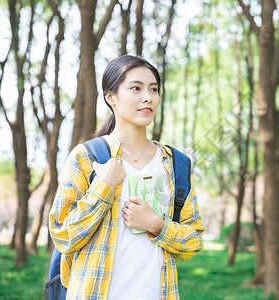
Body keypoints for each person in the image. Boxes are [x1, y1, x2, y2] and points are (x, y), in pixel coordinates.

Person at [49, 55, 204, 300]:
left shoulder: (174, 165)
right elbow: (64, 237)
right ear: (111, 97)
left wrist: (157, 225)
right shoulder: (87, 157)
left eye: (154, 89)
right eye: (136, 88)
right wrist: (104, 186)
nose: (148, 97)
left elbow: (194, 241)